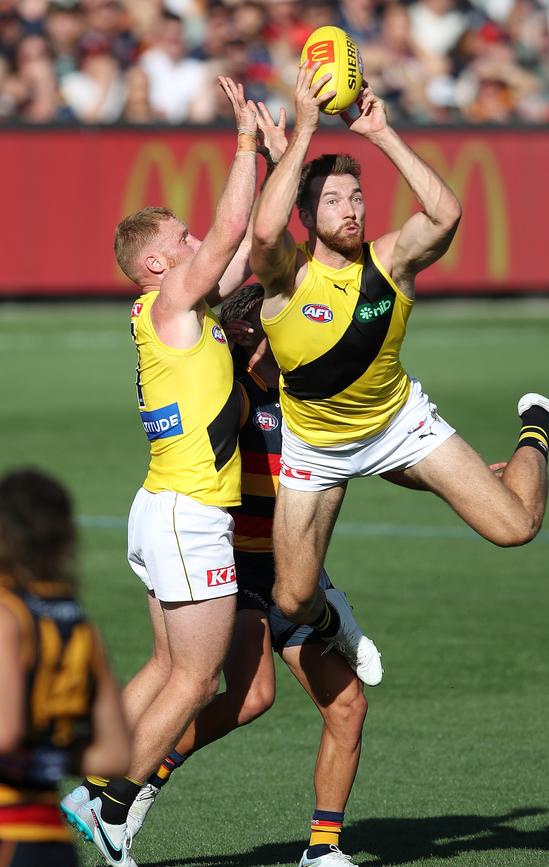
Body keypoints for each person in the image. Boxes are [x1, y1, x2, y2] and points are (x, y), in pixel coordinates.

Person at [250, 63, 549, 658]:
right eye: (333, 201)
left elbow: (445, 215)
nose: (351, 209)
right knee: (293, 600)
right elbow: (264, 233)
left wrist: (382, 133)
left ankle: (539, 424)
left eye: (357, 197)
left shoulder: (389, 262)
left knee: (515, 527)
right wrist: (306, 132)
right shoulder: (287, 278)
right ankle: (334, 619)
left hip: (400, 427)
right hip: (314, 449)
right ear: (307, 219)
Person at [60, 77, 268, 867]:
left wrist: (284, 155)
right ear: (155, 263)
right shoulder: (174, 300)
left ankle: (85, 788)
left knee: (165, 667)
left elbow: (243, 244)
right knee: (195, 679)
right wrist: (245, 144)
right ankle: (114, 813)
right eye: (180, 240)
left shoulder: (180, 308)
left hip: (163, 507)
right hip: (189, 512)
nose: (194, 245)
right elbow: (227, 236)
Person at [111, 283, 374, 867]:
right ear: (247, 338)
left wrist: (455, 471)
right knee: (250, 696)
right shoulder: (223, 392)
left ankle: (323, 850)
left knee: (348, 705)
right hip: (237, 564)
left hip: (297, 567)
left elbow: (366, 445)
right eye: (274, 326)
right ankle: (138, 780)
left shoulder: (310, 391)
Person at [0, 468, 130, 867]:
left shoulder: (7, 617)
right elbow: (115, 754)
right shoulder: (80, 626)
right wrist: (49, 758)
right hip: (53, 846)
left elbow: (6, 734)